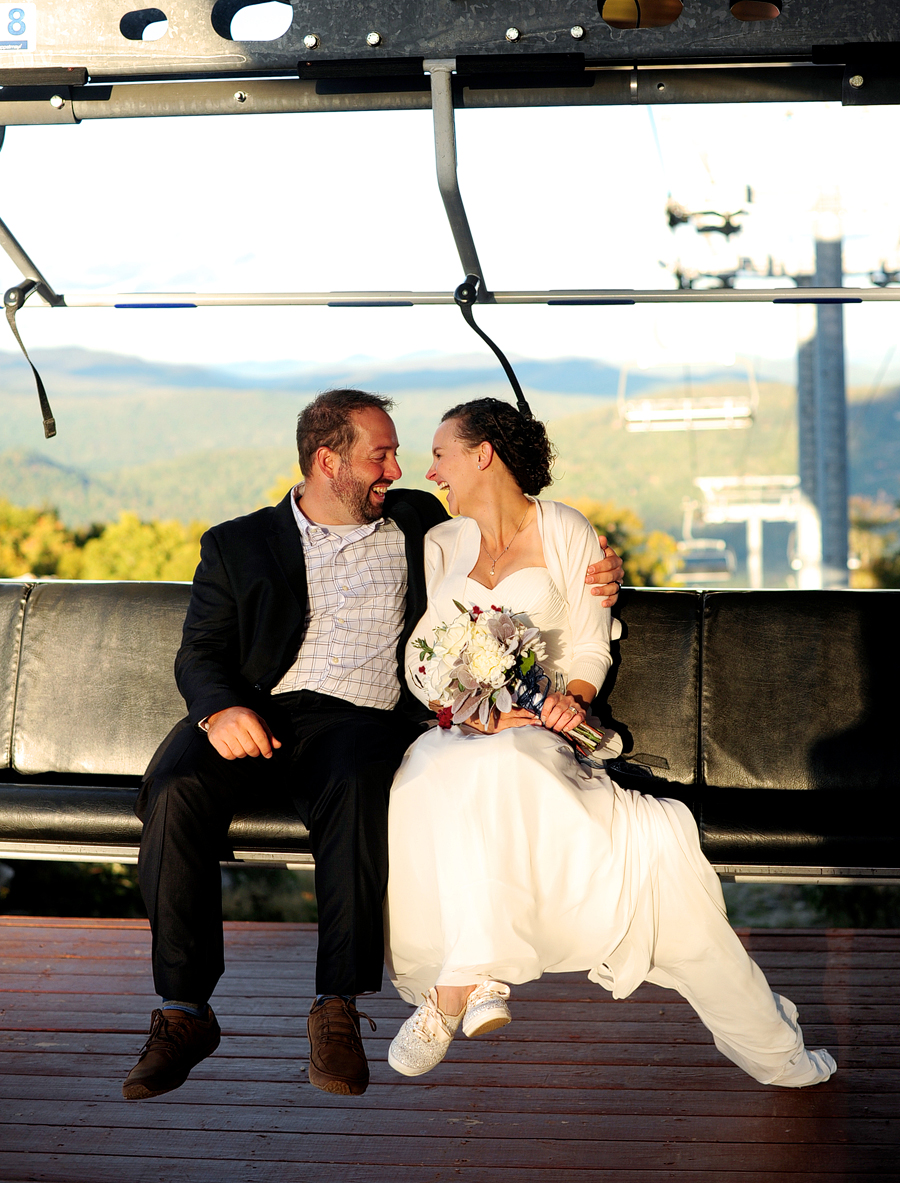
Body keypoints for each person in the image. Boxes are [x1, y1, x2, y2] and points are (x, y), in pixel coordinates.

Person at [123, 388, 625, 1102]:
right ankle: (182, 1010)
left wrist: (600, 566)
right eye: (380, 454)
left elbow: (516, 527)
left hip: (355, 719)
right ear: (328, 462)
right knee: (173, 789)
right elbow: (199, 651)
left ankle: (337, 1007)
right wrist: (219, 708)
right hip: (254, 710)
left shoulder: (420, 520)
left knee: (362, 783)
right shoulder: (236, 544)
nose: (397, 467)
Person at [384, 397, 837, 1090]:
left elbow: (590, 644)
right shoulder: (441, 541)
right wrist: (460, 704)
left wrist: (571, 701)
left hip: (542, 727)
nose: (429, 467)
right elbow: (427, 648)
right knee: (421, 768)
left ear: (483, 454)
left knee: (506, 765)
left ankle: (457, 988)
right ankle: (477, 979)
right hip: (468, 725)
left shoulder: (566, 530)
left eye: (441, 452)